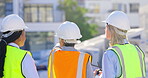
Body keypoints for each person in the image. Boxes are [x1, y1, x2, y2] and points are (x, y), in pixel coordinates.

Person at [102, 11, 146, 78]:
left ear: (111, 29)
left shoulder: (109, 54)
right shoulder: (138, 51)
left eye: (106, 26)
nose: (105, 29)